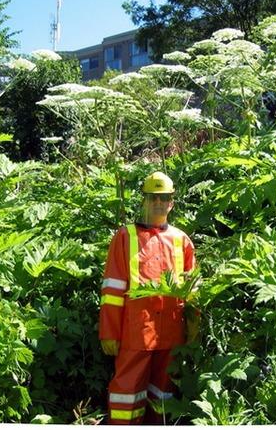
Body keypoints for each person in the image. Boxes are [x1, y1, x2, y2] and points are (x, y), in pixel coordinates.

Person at [99, 171, 199, 425]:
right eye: (153, 197)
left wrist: (193, 326)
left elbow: (192, 289)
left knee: (165, 393)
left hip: (171, 333)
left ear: (172, 202)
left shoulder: (181, 240)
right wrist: (109, 332)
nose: (158, 203)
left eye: (163, 197)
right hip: (135, 332)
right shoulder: (125, 237)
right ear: (144, 200)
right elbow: (112, 289)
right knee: (126, 393)